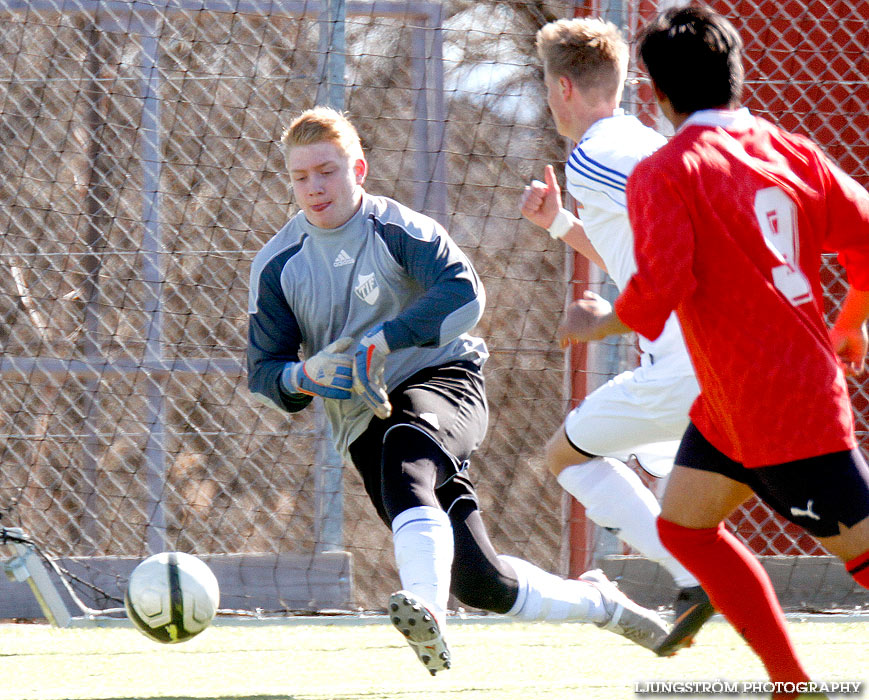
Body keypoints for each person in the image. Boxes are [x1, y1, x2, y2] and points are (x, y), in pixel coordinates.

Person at [246, 106, 671, 675]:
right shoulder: (277, 265)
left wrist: (386, 340)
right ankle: (601, 602)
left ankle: (427, 609)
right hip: (361, 422)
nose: (314, 187)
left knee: (407, 439)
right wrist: (305, 376)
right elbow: (264, 371)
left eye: (327, 171)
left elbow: (465, 296)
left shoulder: (399, 229)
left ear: (359, 169)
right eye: (301, 177)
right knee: (483, 581)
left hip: (444, 381)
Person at [558, 6, 869, 699]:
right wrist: (851, 320)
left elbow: (660, 286)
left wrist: (599, 319)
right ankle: (791, 686)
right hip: (729, 406)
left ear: (658, 94)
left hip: (783, 412)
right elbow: (865, 235)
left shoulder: (669, 170)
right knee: (685, 530)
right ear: (736, 74)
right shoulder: (792, 151)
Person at [519, 16, 713, 655]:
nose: (549, 100)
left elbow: (678, 209)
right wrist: (560, 225)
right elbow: (637, 239)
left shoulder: (595, 154)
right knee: (676, 483)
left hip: (685, 363)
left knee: (565, 457)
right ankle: (702, 579)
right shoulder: (634, 139)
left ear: (565, 89)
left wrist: (605, 319)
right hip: (703, 357)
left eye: (548, 87)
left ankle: (697, 579)